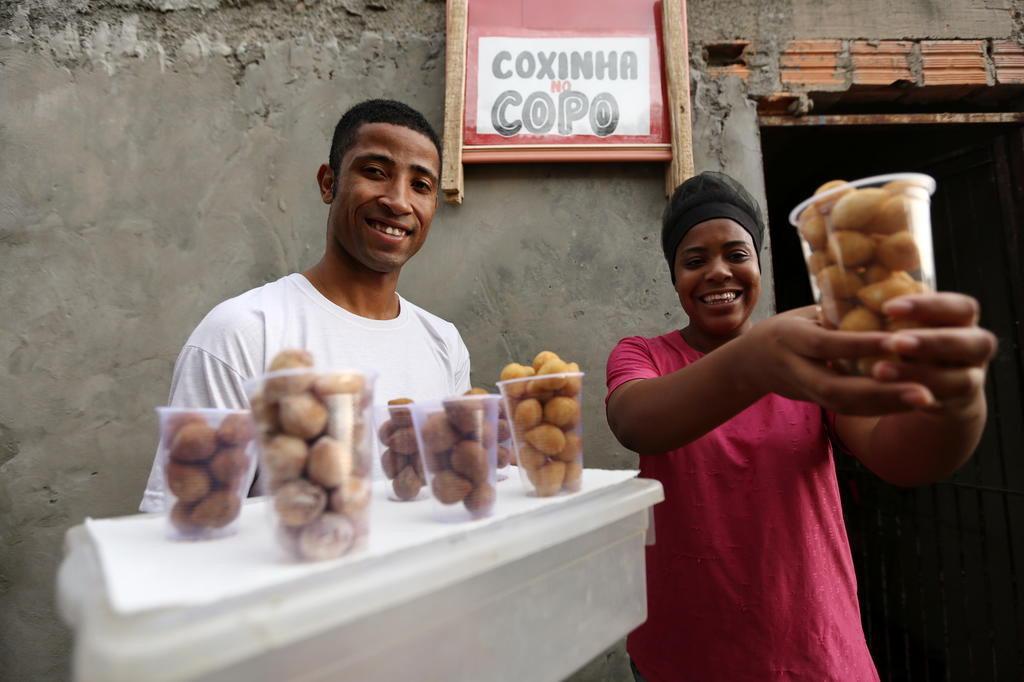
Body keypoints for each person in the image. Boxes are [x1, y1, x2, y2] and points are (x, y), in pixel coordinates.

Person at [604, 172, 997, 681]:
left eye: (737, 254)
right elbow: (635, 421)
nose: (718, 272)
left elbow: (902, 457)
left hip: (811, 654)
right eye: (694, 261)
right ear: (674, 277)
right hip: (685, 658)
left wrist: (957, 405)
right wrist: (755, 362)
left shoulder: (815, 353)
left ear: (760, 264)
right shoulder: (644, 355)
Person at [141, 99, 470, 512]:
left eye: (421, 185)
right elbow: (188, 523)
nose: (399, 201)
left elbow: (449, 501)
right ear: (328, 183)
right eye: (375, 172)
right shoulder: (242, 333)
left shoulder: (444, 343)